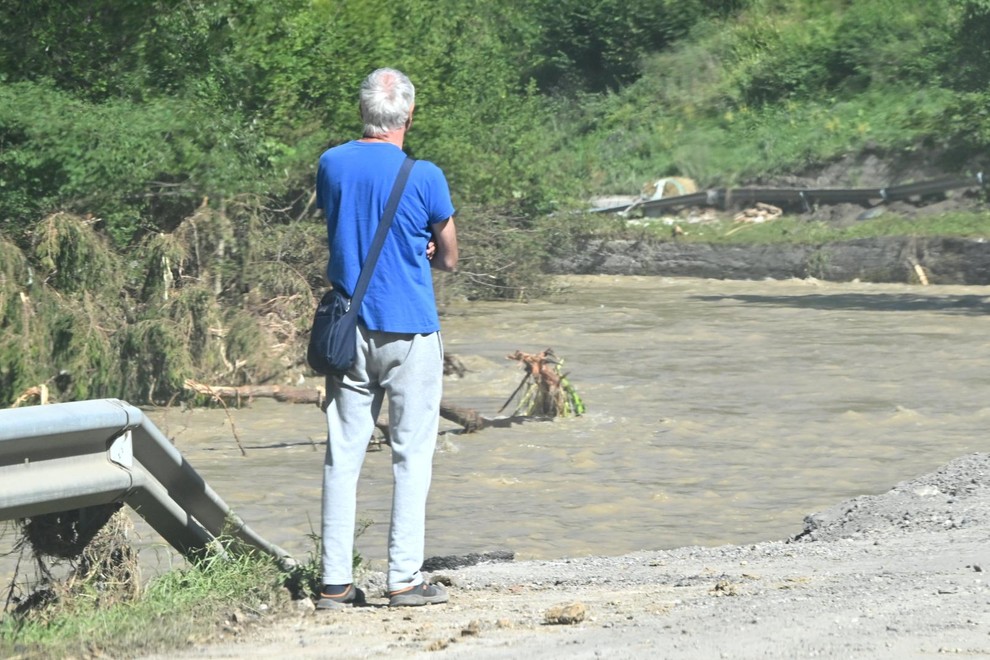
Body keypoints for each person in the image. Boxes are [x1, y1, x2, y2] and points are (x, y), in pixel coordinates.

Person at [314, 67, 458, 609]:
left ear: (363, 112)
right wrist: (421, 247)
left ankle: (335, 583)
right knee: (411, 453)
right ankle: (403, 580)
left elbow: (343, 224)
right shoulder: (425, 175)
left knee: (342, 454)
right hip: (412, 330)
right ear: (408, 115)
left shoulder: (331, 163)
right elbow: (449, 257)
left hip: (348, 330)